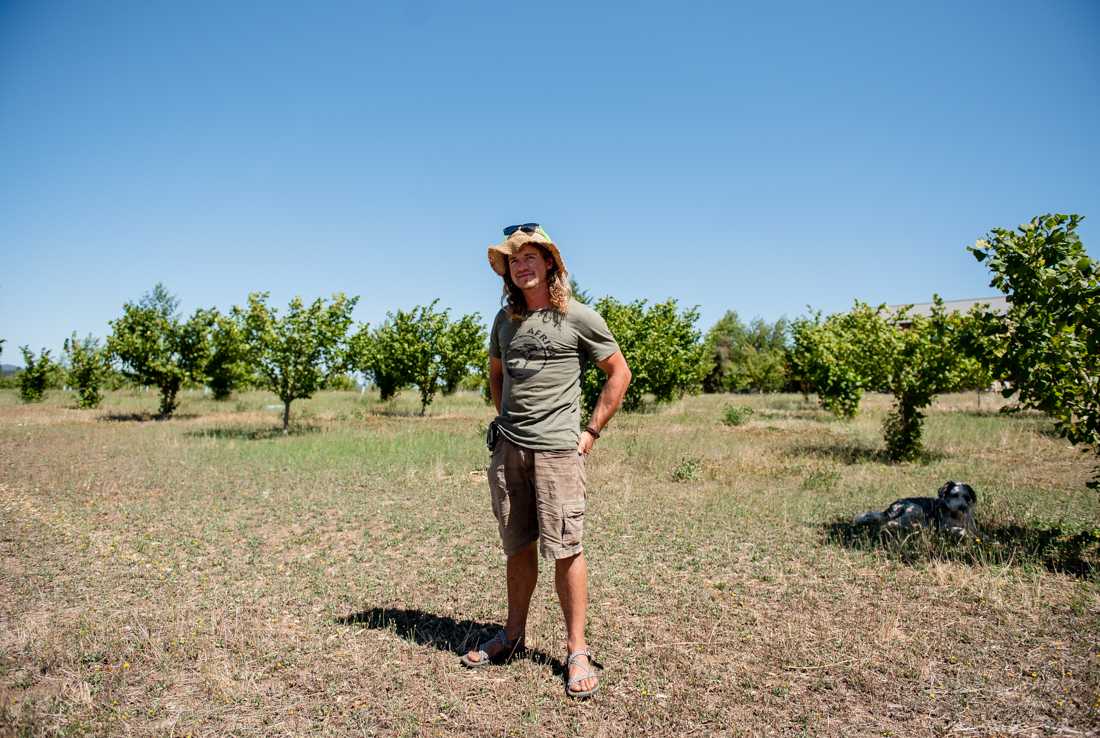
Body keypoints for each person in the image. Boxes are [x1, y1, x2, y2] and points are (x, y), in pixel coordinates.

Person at [460, 223, 631, 699]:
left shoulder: (578, 317)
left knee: (566, 548)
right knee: (517, 545)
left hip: (559, 451)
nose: (522, 265)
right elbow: (496, 375)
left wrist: (590, 432)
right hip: (509, 448)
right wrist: (507, 425)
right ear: (508, 272)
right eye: (514, 260)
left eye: (530, 256)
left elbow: (619, 372)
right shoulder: (504, 321)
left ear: (550, 262)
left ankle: (576, 650)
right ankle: (512, 637)